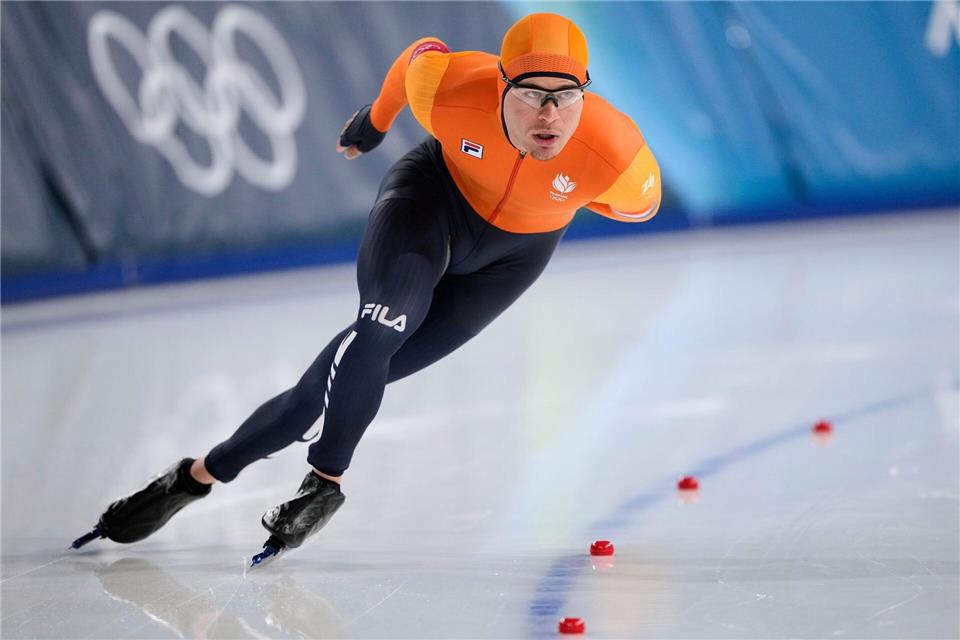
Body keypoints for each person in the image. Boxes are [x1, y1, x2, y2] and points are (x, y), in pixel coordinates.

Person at [71, 12, 662, 561]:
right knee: (380, 326)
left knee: (319, 392)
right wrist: (375, 121)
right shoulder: (454, 88)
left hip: (510, 261)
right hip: (430, 205)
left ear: (586, 95)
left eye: (566, 98)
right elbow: (415, 59)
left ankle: (193, 477)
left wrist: (564, 199)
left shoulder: (616, 155)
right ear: (501, 85)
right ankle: (325, 483)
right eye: (532, 95)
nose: (549, 116)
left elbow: (639, 208)